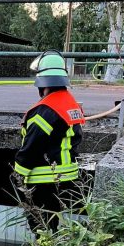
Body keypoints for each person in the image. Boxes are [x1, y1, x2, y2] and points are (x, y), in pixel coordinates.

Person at [14, 50, 85, 233]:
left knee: (42, 230)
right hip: (68, 178)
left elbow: (31, 148)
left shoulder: (45, 110)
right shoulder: (70, 103)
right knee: (54, 228)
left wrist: (18, 176)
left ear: (41, 82)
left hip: (44, 181)